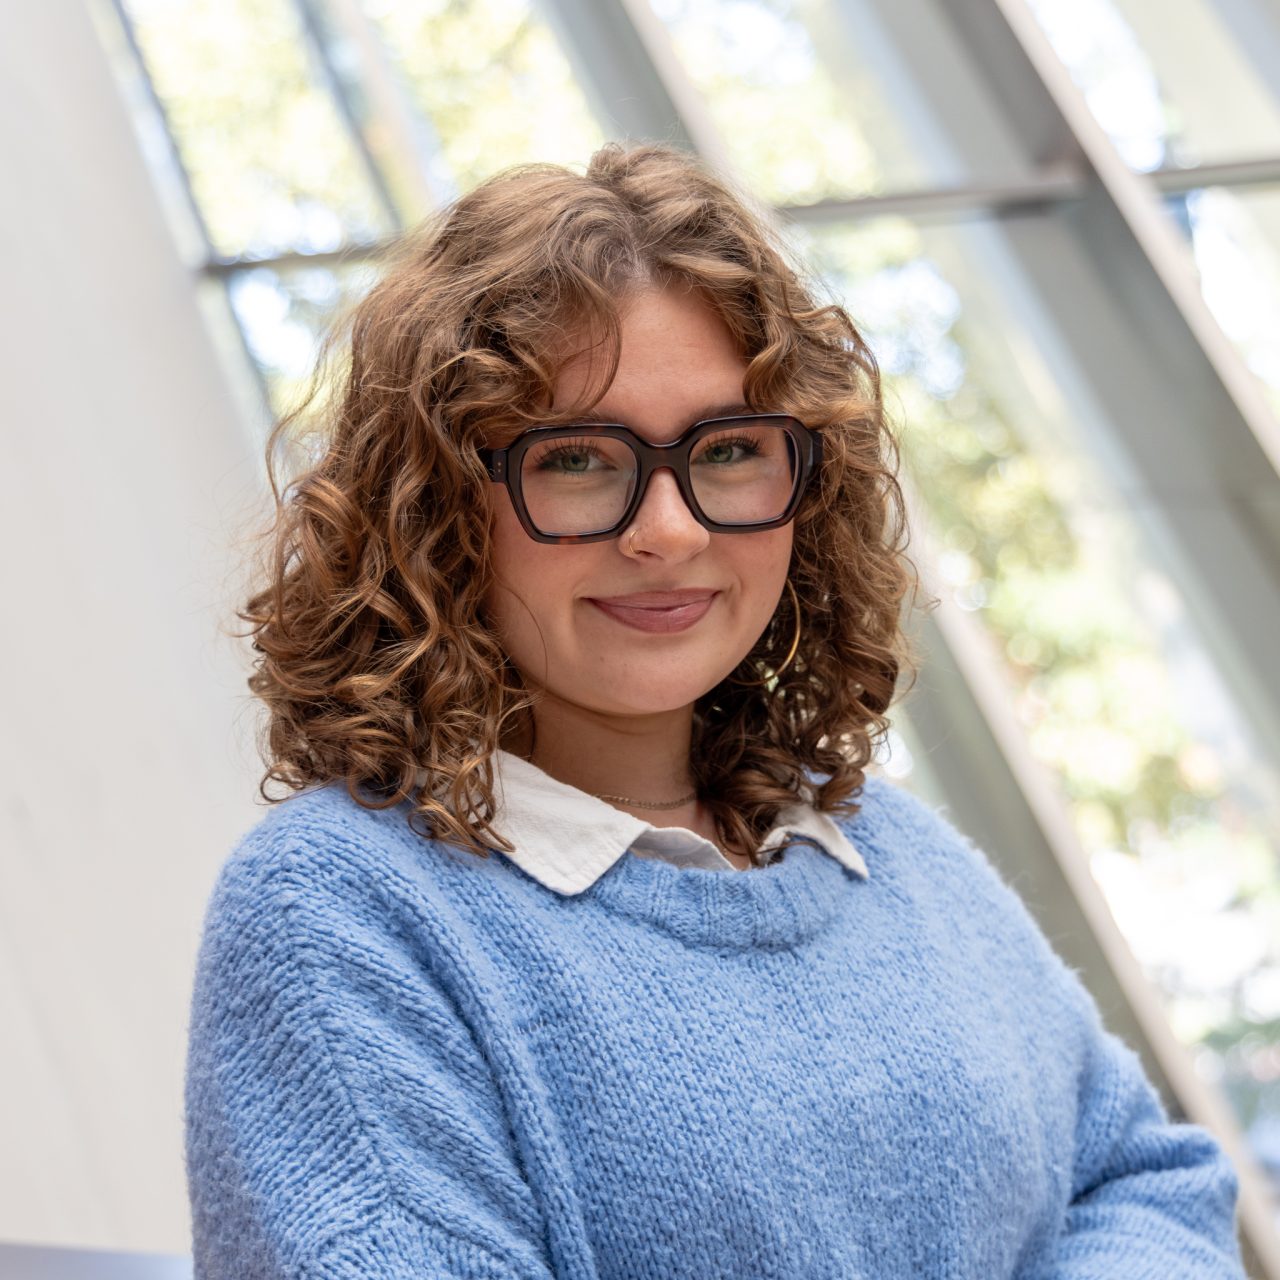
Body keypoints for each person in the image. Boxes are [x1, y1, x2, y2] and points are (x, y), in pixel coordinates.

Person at [184, 142, 1246, 1278]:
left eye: (728, 449)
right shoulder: (340, 914)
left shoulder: (876, 848)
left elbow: (1142, 1176)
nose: (670, 530)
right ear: (439, 507)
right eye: (579, 459)